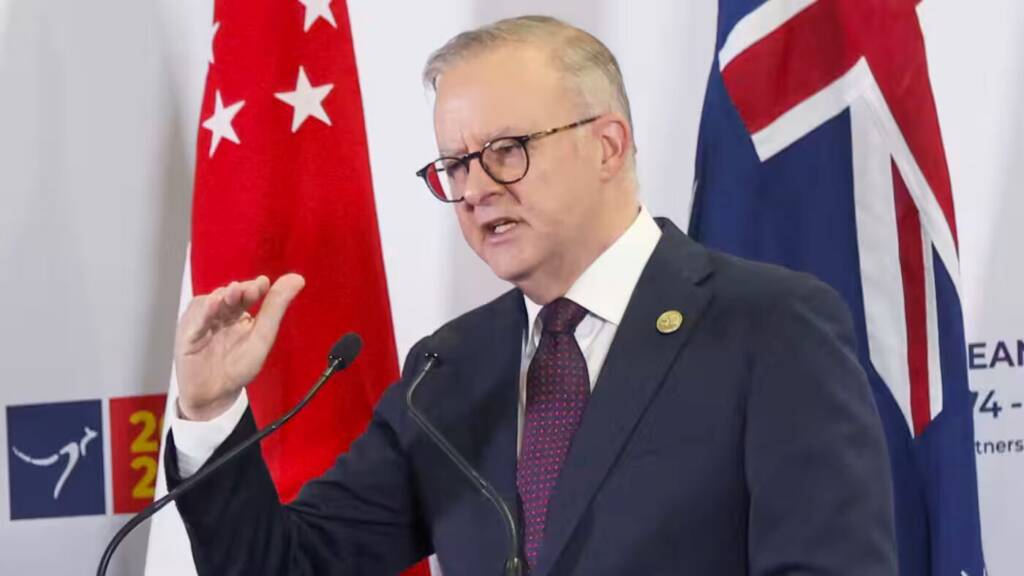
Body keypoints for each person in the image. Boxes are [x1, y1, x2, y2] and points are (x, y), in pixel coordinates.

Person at [166, 15, 898, 576]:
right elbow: (292, 565)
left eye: (506, 151)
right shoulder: (447, 370)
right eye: (455, 165)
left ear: (608, 146)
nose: (477, 189)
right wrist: (207, 412)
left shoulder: (769, 327)